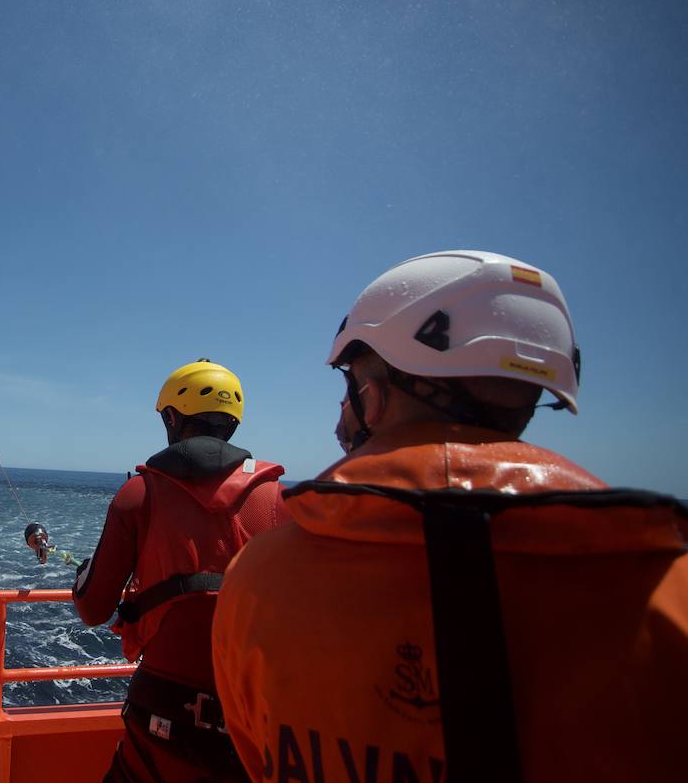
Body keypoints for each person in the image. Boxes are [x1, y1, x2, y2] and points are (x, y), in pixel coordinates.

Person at [210, 250, 688, 783]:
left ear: (371, 390)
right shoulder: (670, 591)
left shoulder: (259, 580)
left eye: (350, 378)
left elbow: (257, 757)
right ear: (532, 395)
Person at [74, 359, 291, 782]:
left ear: (171, 418)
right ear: (232, 422)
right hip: (252, 716)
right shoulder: (280, 501)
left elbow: (93, 608)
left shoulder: (138, 495)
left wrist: (83, 577)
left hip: (164, 711)